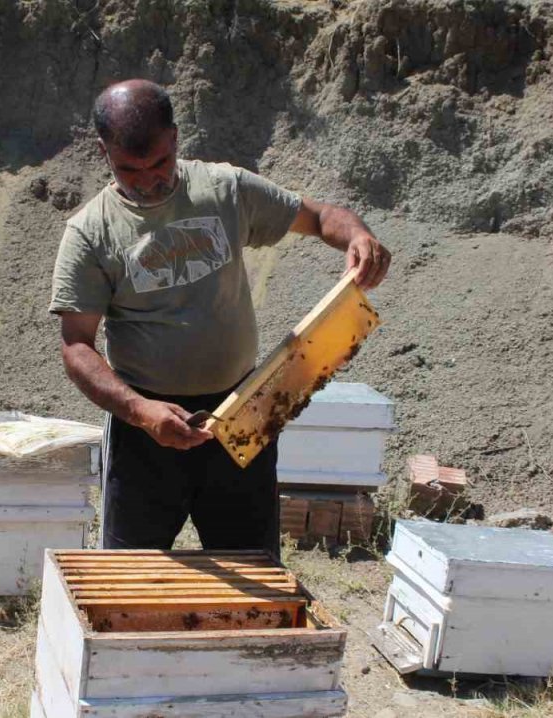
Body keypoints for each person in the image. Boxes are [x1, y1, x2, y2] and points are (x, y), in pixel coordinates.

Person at [48, 79, 390, 556]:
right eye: (130, 170)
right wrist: (141, 412)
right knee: (134, 580)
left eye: (160, 164)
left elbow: (319, 217)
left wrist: (358, 237)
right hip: (144, 434)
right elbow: (76, 346)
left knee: (253, 568)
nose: (148, 180)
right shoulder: (90, 233)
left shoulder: (225, 189)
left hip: (244, 412)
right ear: (105, 153)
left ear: (175, 139)